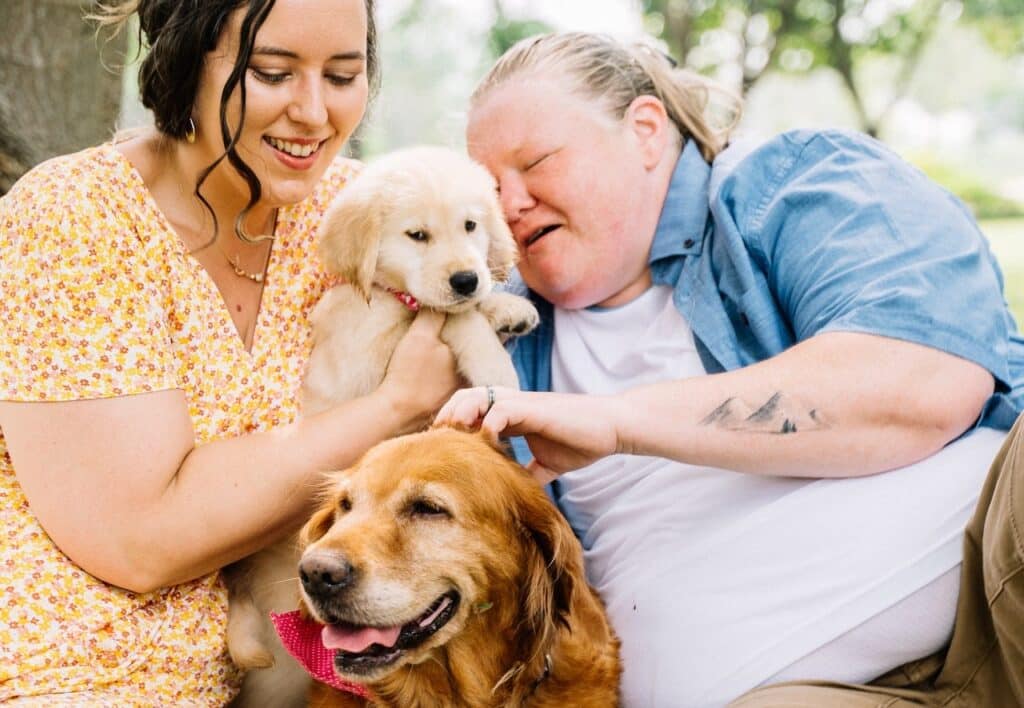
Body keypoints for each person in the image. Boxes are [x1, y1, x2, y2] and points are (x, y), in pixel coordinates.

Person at [437, 32, 1024, 707]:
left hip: (992, 598)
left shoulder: (790, 185)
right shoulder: (495, 337)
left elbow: (922, 384)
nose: (508, 206)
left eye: (535, 162)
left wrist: (617, 420)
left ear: (646, 131)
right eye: (488, 189)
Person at [0, 0, 459, 704]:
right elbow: (138, 541)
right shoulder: (75, 219)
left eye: (343, 75)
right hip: (68, 676)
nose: (312, 112)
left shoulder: (356, 213)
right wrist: (393, 405)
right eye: (273, 73)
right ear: (187, 60)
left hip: (285, 679)